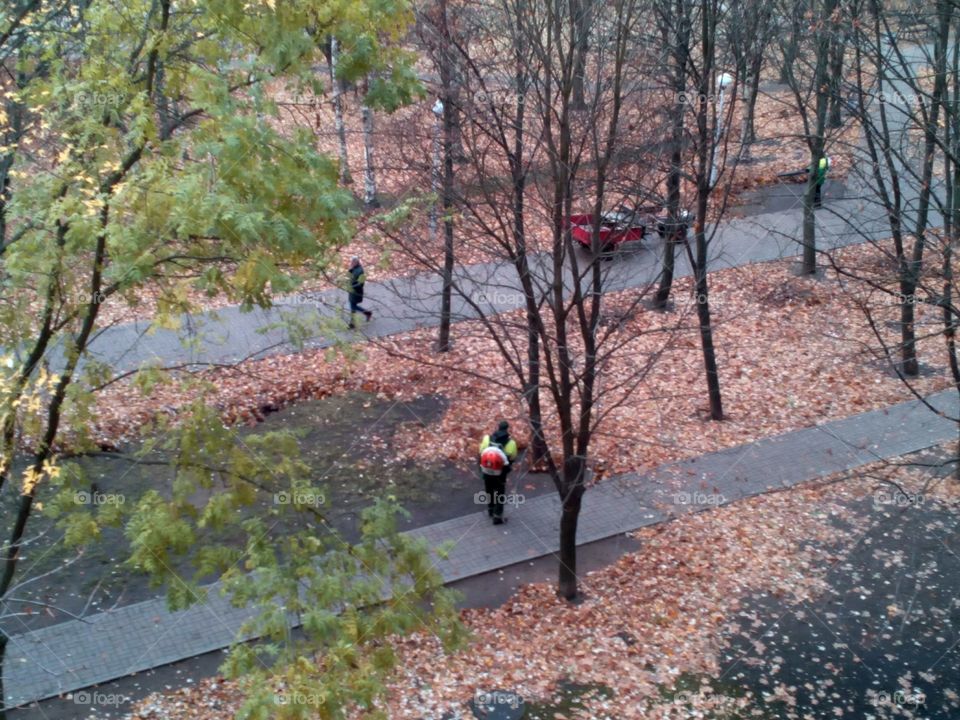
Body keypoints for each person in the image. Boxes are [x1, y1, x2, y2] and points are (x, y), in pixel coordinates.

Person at [478, 421, 518, 525]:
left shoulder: (487, 438)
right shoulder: (511, 443)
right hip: (500, 474)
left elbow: (481, 451)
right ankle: (497, 516)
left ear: (498, 427)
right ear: (507, 429)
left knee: (489, 490)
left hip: (486, 471)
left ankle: (490, 510)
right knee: (500, 493)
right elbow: (513, 457)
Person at [346, 256, 372, 329]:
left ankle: (352, 323)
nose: (351, 263)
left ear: (356, 262)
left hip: (356, 292)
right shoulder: (353, 268)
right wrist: (350, 270)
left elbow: (360, 284)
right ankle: (367, 313)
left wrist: (352, 287)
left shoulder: (360, 271)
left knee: (352, 306)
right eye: (351, 262)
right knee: (352, 306)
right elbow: (349, 276)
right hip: (351, 291)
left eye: (352, 262)